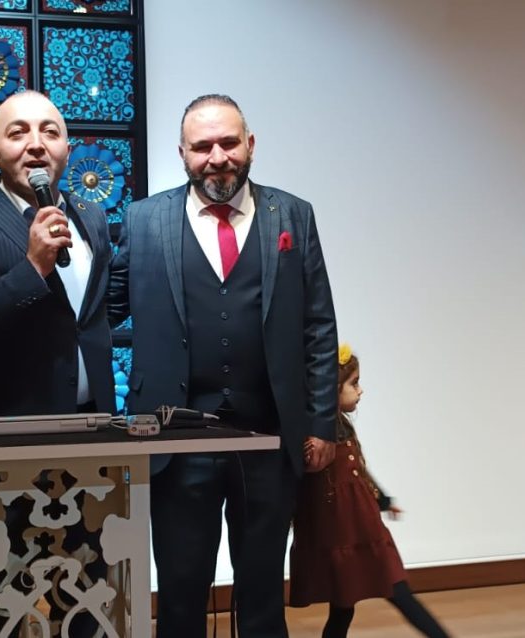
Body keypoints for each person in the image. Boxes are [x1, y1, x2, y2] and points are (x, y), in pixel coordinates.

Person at [108, 94, 338, 637]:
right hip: (175, 439)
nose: (217, 157)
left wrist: (321, 422)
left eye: (229, 143)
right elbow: (105, 309)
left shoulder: (293, 215)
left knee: (263, 594)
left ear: (250, 145)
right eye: (202, 146)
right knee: (181, 591)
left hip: (269, 435)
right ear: (182, 154)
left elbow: (318, 324)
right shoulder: (143, 220)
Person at [0, 90, 116, 637]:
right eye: (18, 132)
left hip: (88, 444)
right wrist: (31, 268)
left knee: (88, 601)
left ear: (67, 149)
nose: (36, 144)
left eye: (50, 132)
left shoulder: (91, 218)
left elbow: (89, 316)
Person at [289, 344, 451, 638]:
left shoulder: (342, 427)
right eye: (354, 383)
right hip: (342, 530)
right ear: (330, 389)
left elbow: (358, 474)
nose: (360, 390)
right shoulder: (315, 436)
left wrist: (383, 500)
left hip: (362, 526)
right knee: (353, 603)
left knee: (372, 597)